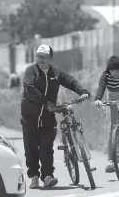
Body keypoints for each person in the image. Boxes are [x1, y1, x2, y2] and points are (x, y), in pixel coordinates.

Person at [21, 44, 90, 189]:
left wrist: (82, 91)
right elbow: (30, 88)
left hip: (47, 117)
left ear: (50, 58)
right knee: (31, 148)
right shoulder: (30, 72)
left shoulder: (56, 73)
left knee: (46, 148)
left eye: (45, 57)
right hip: (30, 116)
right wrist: (46, 102)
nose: (42, 60)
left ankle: (47, 176)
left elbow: (70, 81)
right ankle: (33, 176)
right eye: (39, 57)